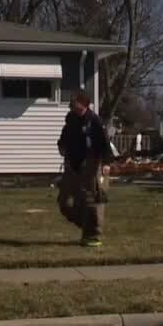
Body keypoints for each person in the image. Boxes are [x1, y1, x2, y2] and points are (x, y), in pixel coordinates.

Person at [56, 90, 112, 247]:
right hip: (71, 165)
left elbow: (104, 144)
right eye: (73, 106)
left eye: (77, 106)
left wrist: (106, 163)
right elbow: (63, 139)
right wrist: (61, 147)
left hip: (90, 164)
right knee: (64, 202)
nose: (75, 109)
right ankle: (84, 224)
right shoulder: (70, 120)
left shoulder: (94, 122)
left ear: (85, 105)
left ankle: (92, 235)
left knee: (91, 200)